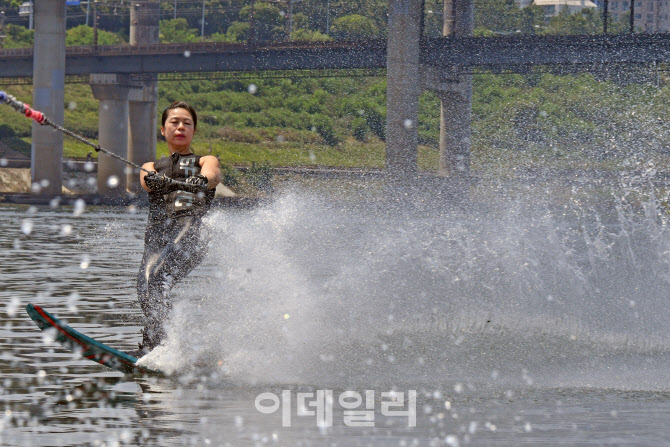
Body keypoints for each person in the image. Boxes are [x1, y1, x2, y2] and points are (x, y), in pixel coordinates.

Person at [130, 101, 221, 358]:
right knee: (146, 286)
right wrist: (153, 179)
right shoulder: (151, 166)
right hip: (158, 235)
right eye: (174, 122)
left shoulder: (205, 161)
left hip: (191, 232)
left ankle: (158, 347)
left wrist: (201, 179)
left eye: (187, 123)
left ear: (194, 131)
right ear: (163, 130)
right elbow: (147, 182)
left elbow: (213, 175)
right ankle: (166, 345)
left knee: (158, 280)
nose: (180, 126)